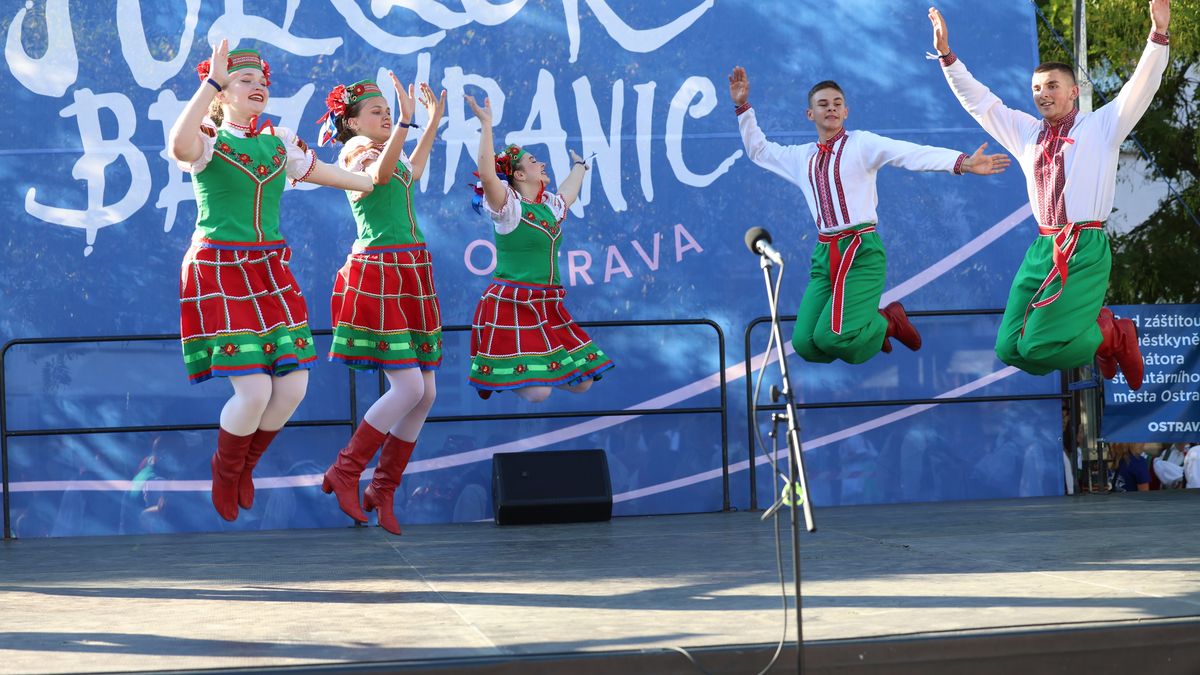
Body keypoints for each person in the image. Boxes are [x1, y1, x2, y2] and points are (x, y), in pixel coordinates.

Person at [168, 41, 375, 522]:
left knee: (294, 386)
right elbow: (179, 146)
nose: (258, 86)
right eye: (245, 80)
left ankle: (246, 465)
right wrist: (212, 82)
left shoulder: (279, 141)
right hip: (219, 267)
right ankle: (226, 468)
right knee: (255, 392)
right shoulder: (208, 136)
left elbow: (331, 174)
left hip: (268, 269)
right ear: (222, 93)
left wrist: (379, 176)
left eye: (263, 81)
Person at [928, 1, 1171, 390]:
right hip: (1044, 246)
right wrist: (946, 54)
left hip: (1083, 245)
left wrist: (1158, 35)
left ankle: (1113, 336)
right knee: (1010, 349)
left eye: (1052, 86)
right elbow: (982, 104)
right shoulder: (1027, 133)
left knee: (1039, 348)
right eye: (1036, 89)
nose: (1042, 94)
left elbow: (1140, 87)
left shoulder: (1102, 126)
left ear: (1074, 92)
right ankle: (1104, 336)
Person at [729, 67, 1010, 364]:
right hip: (825, 253)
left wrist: (963, 162)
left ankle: (887, 322)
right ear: (810, 114)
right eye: (823, 104)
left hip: (861, 251)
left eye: (837, 103)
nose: (831, 109)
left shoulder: (862, 144)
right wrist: (741, 106)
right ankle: (874, 330)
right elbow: (759, 151)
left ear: (846, 111)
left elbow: (909, 153)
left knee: (831, 337)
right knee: (805, 345)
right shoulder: (802, 157)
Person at [318, 75, 447, 535]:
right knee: (409, 388)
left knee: (425, 392)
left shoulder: (387, 147)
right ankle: (346, 470)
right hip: (380, 272)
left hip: (409, 268)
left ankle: (383, 487)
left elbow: (410, 168)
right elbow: (381, 176)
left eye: (388, 111)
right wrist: (408, 123)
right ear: (351, 123)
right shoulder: (354, 153)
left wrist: (429, 124)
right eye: (376, 111)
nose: (386, 114)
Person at [464, 94, 614, 402]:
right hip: (512, 303)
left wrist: (581, 167)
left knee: (582, 382)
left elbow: (567, 194)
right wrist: (486, 125)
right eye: (533, 161)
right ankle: (490, 373)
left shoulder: (548, 208)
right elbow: (489, 175)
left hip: (544, 303)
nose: (541, 163)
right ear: (518, 175)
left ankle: (510, 371)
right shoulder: (509, 208)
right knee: (538, 393)